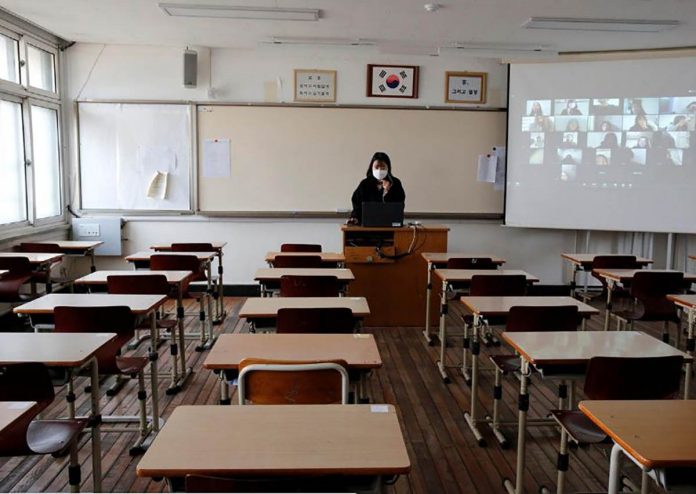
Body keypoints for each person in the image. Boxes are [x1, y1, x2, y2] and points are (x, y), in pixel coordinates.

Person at [348, 152, 405, 224]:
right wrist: (355, 218)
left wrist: (387, 192)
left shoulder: (395, 183)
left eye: (383, 167)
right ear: (371, 167)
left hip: (390, 227)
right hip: (367, 227)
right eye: (377, 167)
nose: (379, 170)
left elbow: (399, 206)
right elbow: (357, 203)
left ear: (388, 168)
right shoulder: (365, 183)